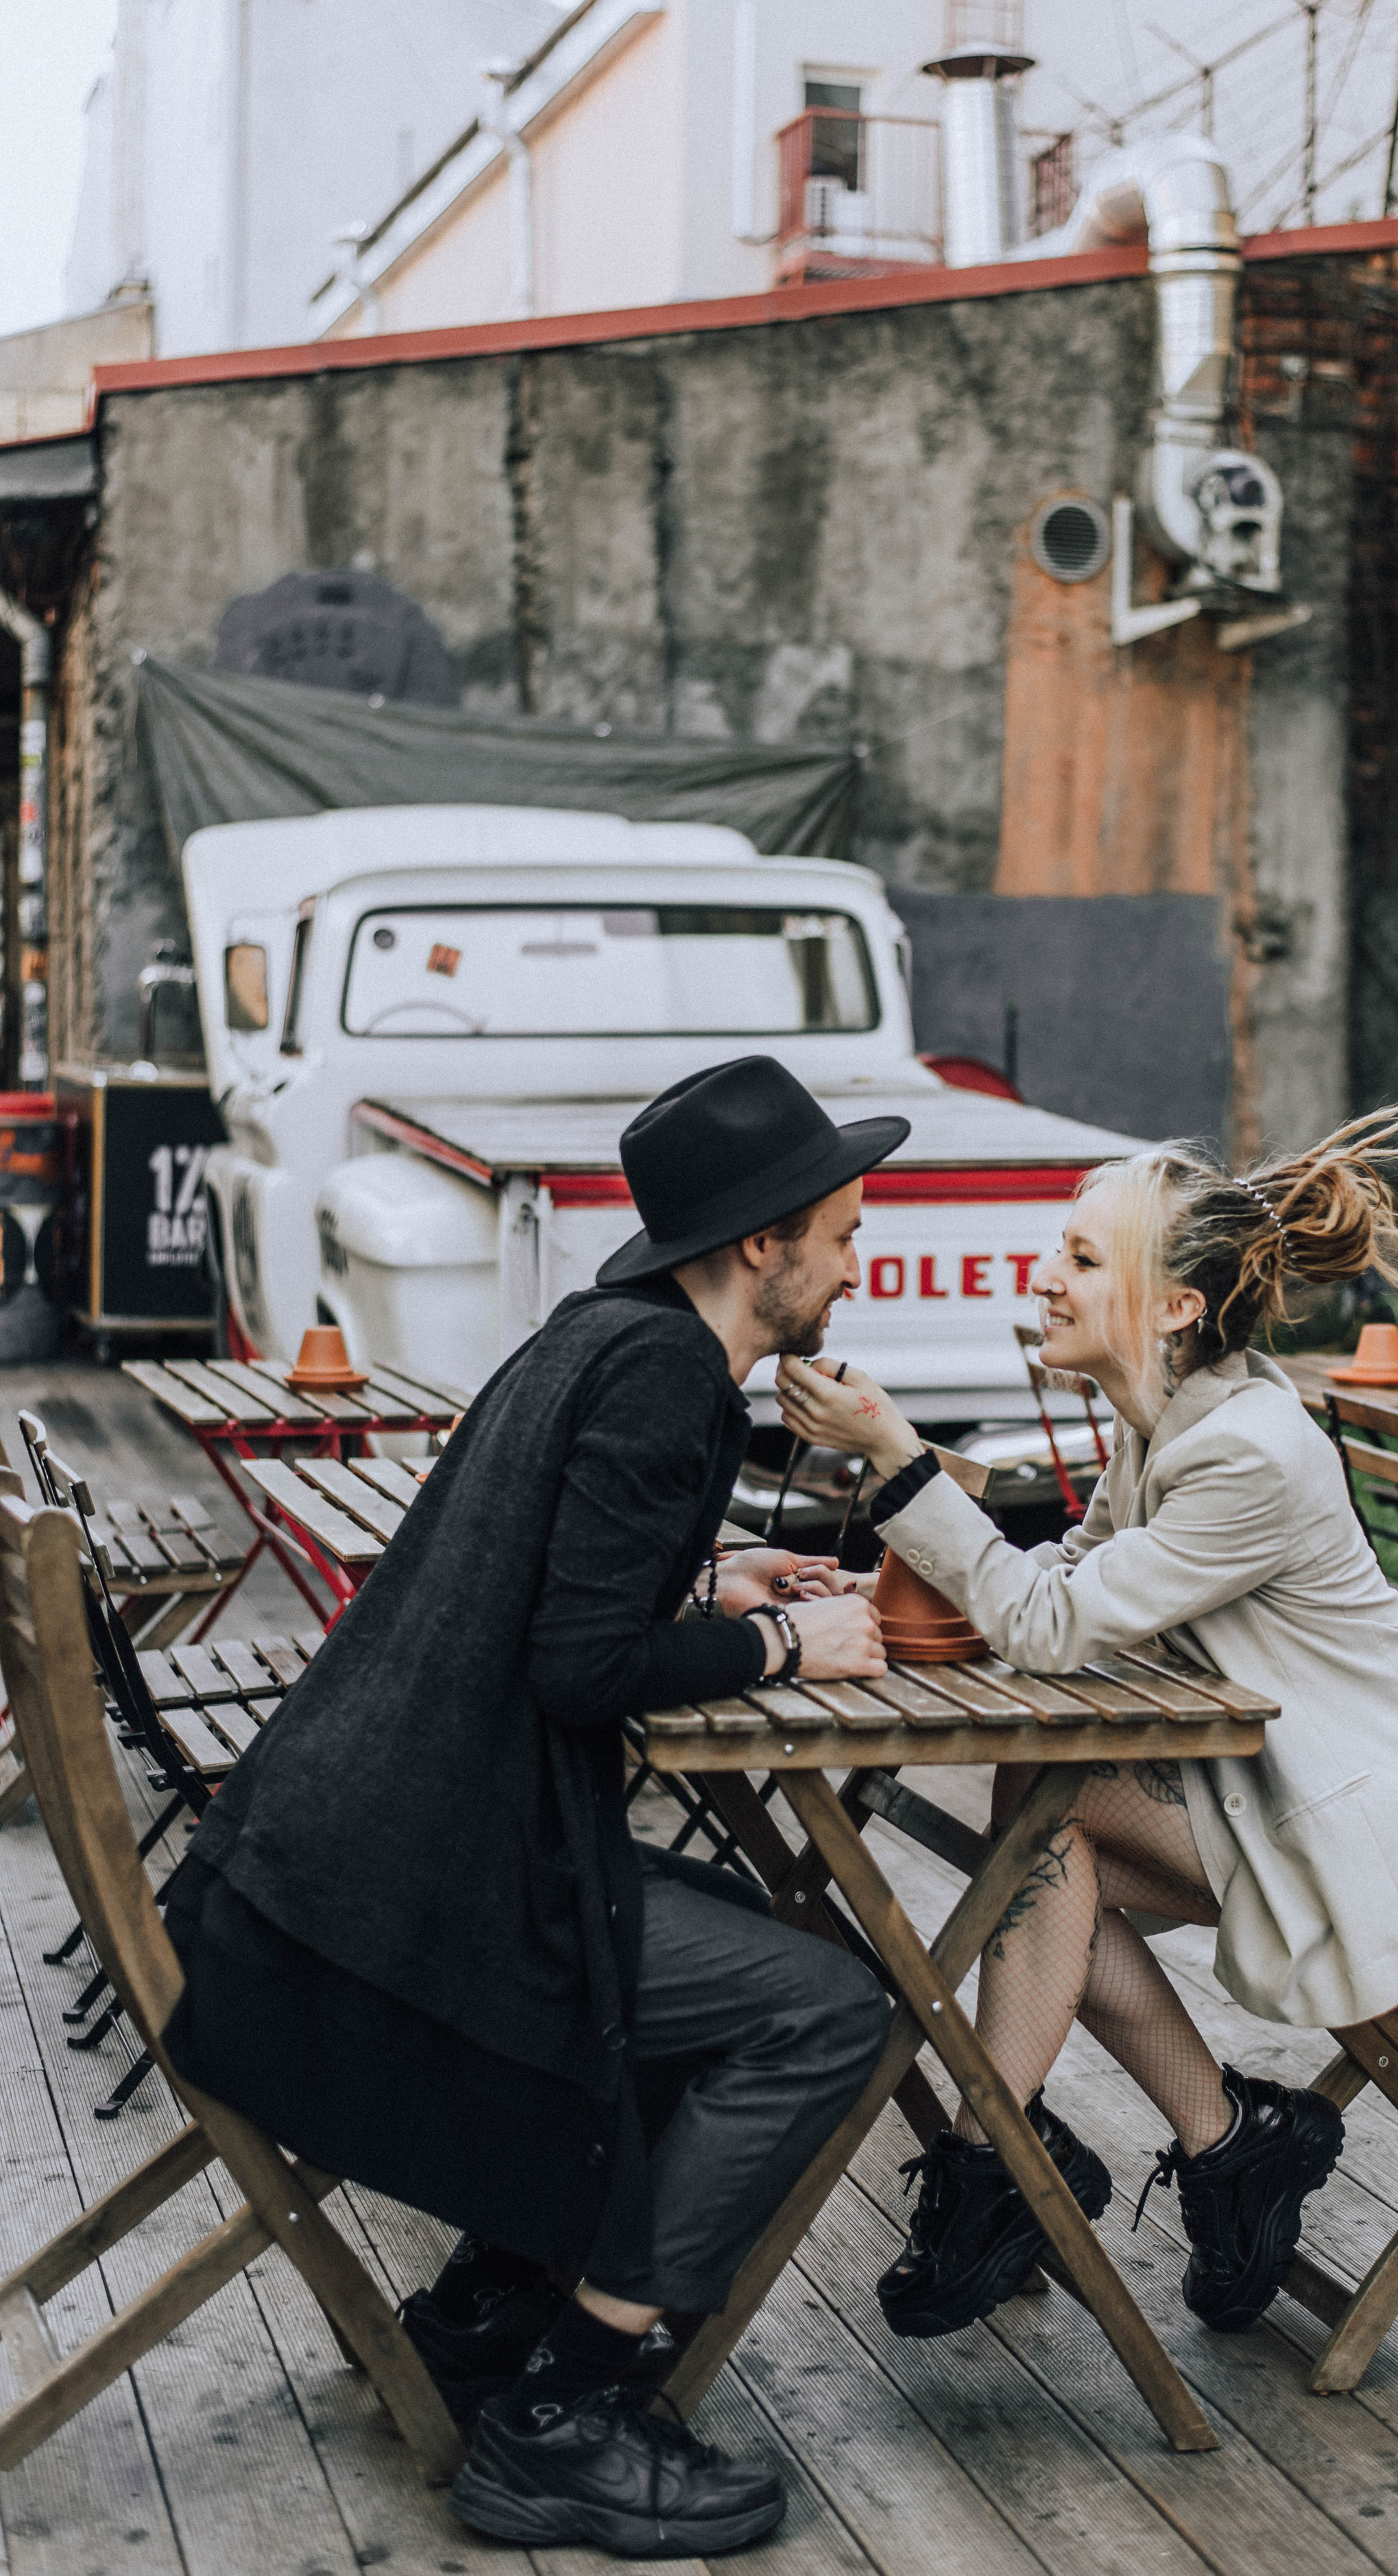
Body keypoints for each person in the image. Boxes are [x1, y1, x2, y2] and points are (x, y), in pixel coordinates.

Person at [159, 1056, 904, 2559]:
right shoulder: (668, 1373)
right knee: (825, 2009)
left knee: (738, 1942)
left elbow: (551, 1592)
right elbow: (579, 1671)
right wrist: (781, 1641)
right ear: (762, 1244)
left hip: (316, 1853)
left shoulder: (598, 1336)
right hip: (402, 1893)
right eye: (839, 1226)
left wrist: (710, 1583)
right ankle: (569, 2408)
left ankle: (491, 2310)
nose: (852, 1256)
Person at [774, 1107, 1398, 2344]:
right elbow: (1069, 1588)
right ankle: (1199, 2143)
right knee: (1045, 1835)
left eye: (1084, 1257)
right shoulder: (1169, 1425)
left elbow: (1045, 1621)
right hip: (1281, 1793)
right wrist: (878, 1575)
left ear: (1177, 1307)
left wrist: (899, 1460)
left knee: (1043, 1817)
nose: (1047, 1274)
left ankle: (1012, 2170)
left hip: (1384, 1833)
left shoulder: (1247, 1456)